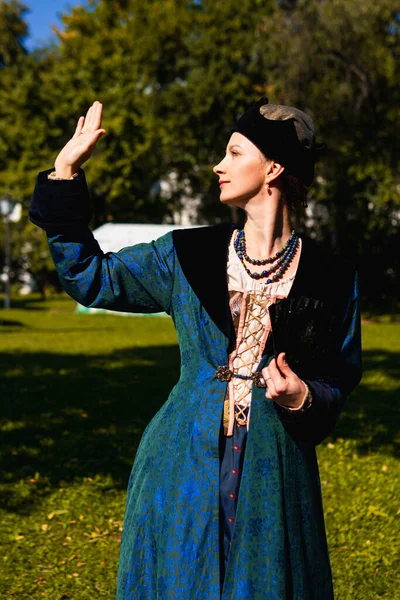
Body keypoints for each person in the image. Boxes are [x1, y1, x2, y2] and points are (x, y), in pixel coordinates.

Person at [30, 97, 362, 599]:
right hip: (180, 462)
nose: (218, 165)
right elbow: (92, 278)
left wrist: (305, 398)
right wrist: (64, 173)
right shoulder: (186, 254)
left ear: (273, 167)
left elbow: (341, 375)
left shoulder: (331, 277)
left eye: (233, 152)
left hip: (275, 472)